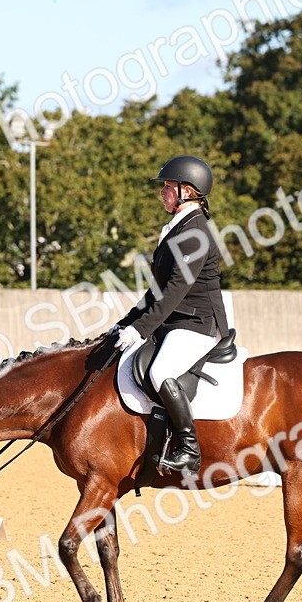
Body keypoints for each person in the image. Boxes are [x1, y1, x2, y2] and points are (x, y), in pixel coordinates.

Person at [112, 154, 229, 474]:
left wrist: (142, 328)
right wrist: (126, 323)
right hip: (177, 319)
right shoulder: (177, 227)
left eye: (168, 186)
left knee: (160, 371)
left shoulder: (196, 232)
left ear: (188, 191)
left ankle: (188, 448)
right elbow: (157, 290)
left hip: (198, 323)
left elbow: (176, 290)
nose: (162, 192)